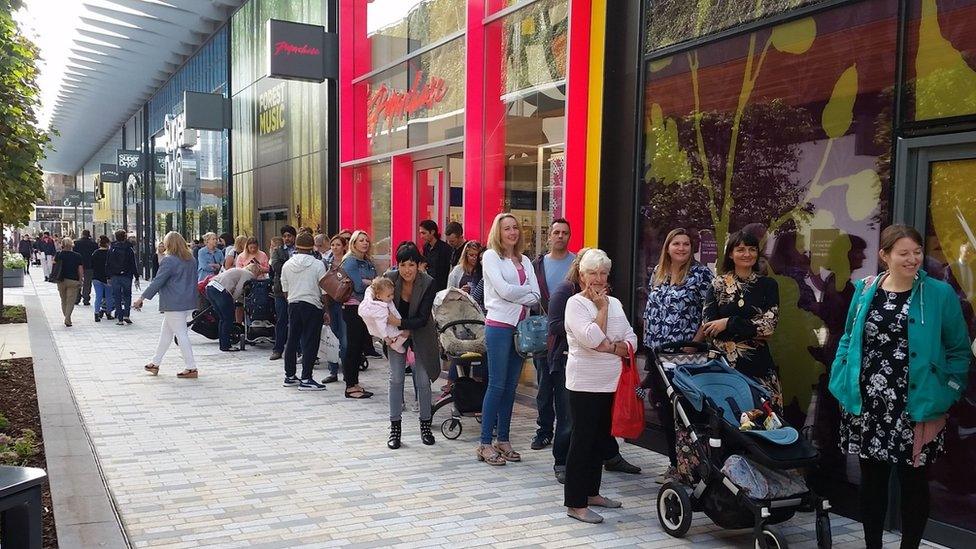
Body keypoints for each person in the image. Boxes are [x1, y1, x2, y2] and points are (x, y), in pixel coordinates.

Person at [830, 224, 970, 549]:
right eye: (903, 253)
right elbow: (849, 336)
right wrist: (841, 374)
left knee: (914, 483)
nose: (912, 259)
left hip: (917, 404)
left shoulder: (939, 294)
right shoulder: (865, 289)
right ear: (885, 256)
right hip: (869, 403)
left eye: (917, 252)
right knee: (872, 483)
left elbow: (958, 350)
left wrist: (948, 389)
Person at [549, 249, 641, 484]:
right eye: (592, 273)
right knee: (582, 443)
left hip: (611, 383)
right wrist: (601, 311)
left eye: (603, 273)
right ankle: (576, 503)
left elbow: (632, 339)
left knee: (599, 440)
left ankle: (593, 493)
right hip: (585, 384)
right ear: (582, 276)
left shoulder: (616, 303)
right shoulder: (575, 303)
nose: (598, 279)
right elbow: (592, 340)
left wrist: (611, 347)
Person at [641, 228, 713, 483]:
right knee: (664, 411)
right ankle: (675, 464)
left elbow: (709, 314)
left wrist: (694, 344)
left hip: (685, 356)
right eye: (676, 243)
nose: (681, 248)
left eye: (686, 244)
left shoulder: (701, 274)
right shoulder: (657, 273)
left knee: (686, 412)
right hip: (657, 354)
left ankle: (693, 468)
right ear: (667, 247)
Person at [477, 213, 541, 466]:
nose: (512, 232)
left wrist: (519, 294)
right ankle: (484, 443)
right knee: (497, 385)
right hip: (499, 327)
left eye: (515, 227)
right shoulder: (491, 256)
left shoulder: (525, 260)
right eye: (507, 228)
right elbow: (502, 291)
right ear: (498, 232)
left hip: (520, 329)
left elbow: (536, 296)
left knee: (511, 386)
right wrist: (523, 293)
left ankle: (503, 439)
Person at [700, 230, 781, 404]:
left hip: (758, 367)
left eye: (752, 249)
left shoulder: (768, 285)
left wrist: (728, 322)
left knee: (764, 422)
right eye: (741, 249)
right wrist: (750, 328)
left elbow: (768, 326)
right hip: (723, 366)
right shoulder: (717, 284)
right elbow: (708, 327)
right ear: (730, 253)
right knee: (726, 421)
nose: (747, 254)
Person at [383, 245, 440, 448]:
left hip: (421, 333)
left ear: (418, 265)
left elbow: (423, 318)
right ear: (397, 265)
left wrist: (399, 324)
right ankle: (395, 429)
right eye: (403, 265)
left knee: (423, 380)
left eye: (412, 265)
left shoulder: (428, 282)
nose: (407, 269)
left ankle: (425, 425)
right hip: (395, 336)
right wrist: (386, 332)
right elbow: (377, 307)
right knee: (396, 378)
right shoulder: (389, 278)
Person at [530, 219, 576, 451]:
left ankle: (564, 434)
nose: (560, 236)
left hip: (570, 336)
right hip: (544, 335)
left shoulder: (577, 263)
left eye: (565, 233)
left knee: (565, 390)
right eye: (556, 232)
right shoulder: (536, 265)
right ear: (549, 236)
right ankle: (544, 430)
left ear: (569, 236)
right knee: (543, 388)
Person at [134, 232, 200, 378]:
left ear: (169, 244)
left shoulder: (168, 260)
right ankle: (155, 363)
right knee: (166, 333)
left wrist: (142, 298)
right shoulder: (191, 259)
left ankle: (191, 367)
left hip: (173, 302)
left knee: (181, 334)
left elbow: (158, 281)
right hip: (188, 301)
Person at [280, 232, 329, 390]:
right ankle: (306, 378)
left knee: (292, 339)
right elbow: (324, 290)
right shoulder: (318, 264)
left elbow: (285, 290)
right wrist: (326, 310)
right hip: (312, 305)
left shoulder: (287, 264)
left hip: (293, 303)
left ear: (297, 245)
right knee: (310, 341)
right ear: (312, 247)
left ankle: (289, 375)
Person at [340, 230, 378, 398]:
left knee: (359, 347)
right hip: (353, 308)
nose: (365, 243)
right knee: (353, 346)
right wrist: (372, 283)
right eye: (361, 240)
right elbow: (358, 286)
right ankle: (350, 386)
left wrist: (370, 283)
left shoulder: (368, 262)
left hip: (366, 307)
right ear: (353, 243)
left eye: (367, 240)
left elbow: (375, 283)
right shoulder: (350, 261)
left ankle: (354, 382)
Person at [206, 264, 262, 352]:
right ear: (255, 271)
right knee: (228, 318)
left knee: (223, 318)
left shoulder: (239, 270)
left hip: (210, 287)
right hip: (222, 290)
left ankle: (224, 344)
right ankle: (226, 345)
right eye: (258, 274)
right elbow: (239, 289)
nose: (257, 277)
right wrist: (233, 301)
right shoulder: (248, 274)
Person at [322, 234, 348, 384]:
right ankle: (332, 371)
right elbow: (324, 287)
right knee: (332, 336)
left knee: (344, 338)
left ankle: (346, 370)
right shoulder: (326, 263)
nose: (335, 247)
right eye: (333, 245)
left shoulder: (348, 262)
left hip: (345, 303)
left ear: (343, 246)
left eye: (338, 245)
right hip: (331, 303)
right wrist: (325, 309)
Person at [270, 226, 297, 361]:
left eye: (289, 236)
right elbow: (276, 267)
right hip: (281, 291)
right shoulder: (277, 251)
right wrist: (294, 267)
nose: (287, 238)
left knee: (296, 321)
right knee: (281, 320)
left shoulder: (299, 251)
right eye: (285, 236)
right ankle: (278, 349)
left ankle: (298, 350)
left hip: (297, 290)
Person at [359, 278, 408, 353]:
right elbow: (380, 325)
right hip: (388, 331)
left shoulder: (380, 299)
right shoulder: (380, 310)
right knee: (406, 333)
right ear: (378, 296)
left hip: (388, 328)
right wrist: (386, 338)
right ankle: (396, 345)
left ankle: (395, 342)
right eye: (389, 296)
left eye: (392, 294)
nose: (392, 297)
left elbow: (370, 289)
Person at [106, 229, 138, 326]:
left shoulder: (112, 249)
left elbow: (108, 263)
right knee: (127, 296)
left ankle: (119, 319)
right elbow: (133, 264)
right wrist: (136, 276)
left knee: (117, 297)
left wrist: (108, 276)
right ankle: (126, 315)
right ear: (125, 237)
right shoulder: (129, 249)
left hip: (115, 276)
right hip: (127, 276)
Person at [53, 238, 84, 327]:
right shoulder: (77, 256)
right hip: (73, 280)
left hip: (61, 280)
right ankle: (68, 318)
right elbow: (80, 269)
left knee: (63, 300)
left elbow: (54, 265)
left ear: (62, 244)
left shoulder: (58, 254)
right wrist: (80, 279)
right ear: (71, 245)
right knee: (70, 301)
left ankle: (66, 317)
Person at [418, 219, 452, 292]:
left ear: (432, 232)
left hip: (441, 288)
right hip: (428, 286)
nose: (421, 236)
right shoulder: (426, 247)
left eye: (424, 233)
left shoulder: (445, 248)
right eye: (421, 233)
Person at [91, 235, 114, 322]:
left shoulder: (95, 253)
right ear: (108, 243)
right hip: (107, 278)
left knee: (98, 296)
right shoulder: (110, 253)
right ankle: (108, 313)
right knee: (109, 296)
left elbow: (92, 265)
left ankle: (96, 314)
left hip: (96, 277)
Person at [73, 230, 98, 306]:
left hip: (78, 265)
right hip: (89, 265)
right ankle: (86, 299)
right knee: (87, 283)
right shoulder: (94, 244)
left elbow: (74, 254)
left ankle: (77, 298)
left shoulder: (76, 243)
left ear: (82, 234)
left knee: (78, 281)